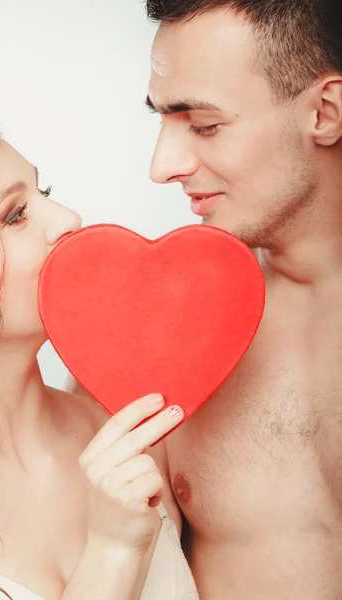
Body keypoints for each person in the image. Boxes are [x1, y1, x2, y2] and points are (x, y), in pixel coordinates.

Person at [0, 112, 199, 600]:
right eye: (15, 215)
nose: (69, 221)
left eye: (46, 192)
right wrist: (113, 549)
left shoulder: (137, 428)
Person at [142, 0, 342, 598]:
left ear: (326, 112)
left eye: (203, 125)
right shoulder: (158, 330)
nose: (161, 166)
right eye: (161, 122)